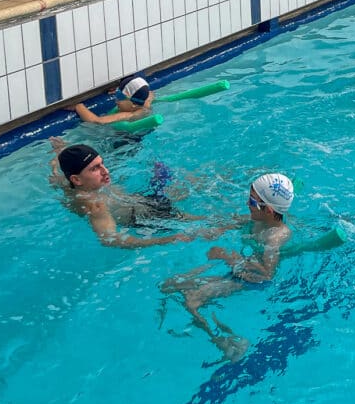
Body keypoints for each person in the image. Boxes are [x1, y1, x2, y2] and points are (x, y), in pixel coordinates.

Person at [160, 174, 296, 361]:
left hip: (250, 282)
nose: (247, 204)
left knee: (192, 301)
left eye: (251, 201)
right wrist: (215, 229)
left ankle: (228, 342)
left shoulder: (275, 237)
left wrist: (228, 257)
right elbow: (234, 221)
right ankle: (218, 324)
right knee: (170, 285)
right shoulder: (259, 219)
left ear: (269, 210)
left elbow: (267, 274)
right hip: (238, 272)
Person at [50, 140, 217, 249]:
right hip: (147, 217)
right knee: (210, 223)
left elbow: (56, 170)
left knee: (184, 188)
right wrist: (164, 240)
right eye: (94, 169)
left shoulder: (66, 182)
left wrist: (60, 150)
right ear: (76, 180)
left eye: (102, 164)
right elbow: (110, 239)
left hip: (140, 201)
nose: (105, 171)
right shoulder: (94, 205)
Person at [74, 75, 155, 125]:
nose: (116, 101)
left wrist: (78, 106)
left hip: (126, 141)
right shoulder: (146, 102)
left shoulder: (128, 115)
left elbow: (98, 121)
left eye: (120, 97)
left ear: (134, 104)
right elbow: (149, 92)